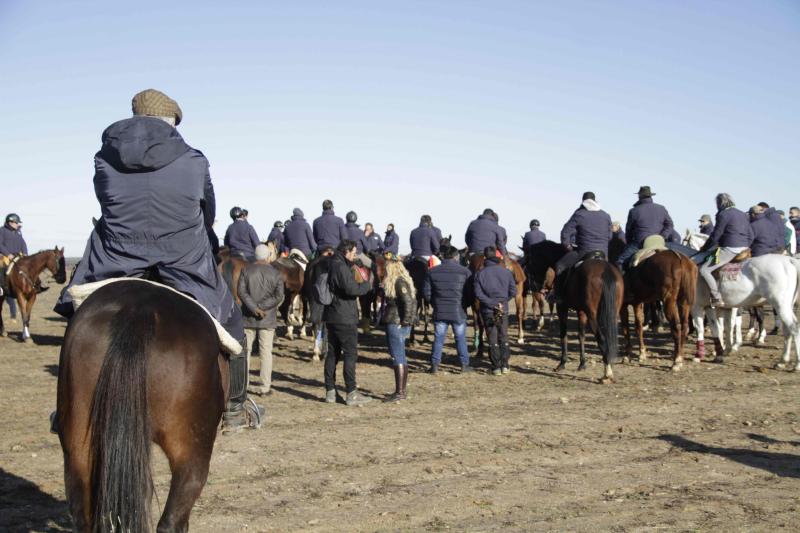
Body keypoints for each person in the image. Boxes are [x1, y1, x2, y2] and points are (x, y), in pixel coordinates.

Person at [53, 89, 258, 431]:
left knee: (80, 323)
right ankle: (235, 408)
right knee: (233, 322)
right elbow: (208, 212)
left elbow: (105, 201)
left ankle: (67, 411)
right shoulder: (194, 160)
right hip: (182, 260)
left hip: (114, 258)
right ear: (172, 122)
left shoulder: (103, 158)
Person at [324, 239, 373, 406]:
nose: (354, 255)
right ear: (347, 251)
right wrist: (367, 286)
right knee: (350, 354)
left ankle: (330, 391)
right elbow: (351, 289)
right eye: (353, 252)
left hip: (331, 315)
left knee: (332, 354)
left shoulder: (330, 262)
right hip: (344, 316)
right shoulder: (341, 266)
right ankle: (351, 392)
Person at [238, 244, 284, 395]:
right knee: (266, 352)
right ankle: (265, 386)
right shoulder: (276, 273)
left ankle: (243, 384)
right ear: (268, 256)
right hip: (268, 318)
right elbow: (279, 296)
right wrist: (262, 308)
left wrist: (254, 308)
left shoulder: (245, 270)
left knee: (246, 351)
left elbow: (241, 292)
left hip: (248, 317)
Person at [423, 245, 473, 374]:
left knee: (438, 338)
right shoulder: (465, 272)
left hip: (440, 310)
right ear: (456, 257)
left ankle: (434, 365)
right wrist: (465, 305)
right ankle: (464, 365)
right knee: (460, 338)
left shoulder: (432, 271)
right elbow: (470, 293)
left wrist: (434, 303)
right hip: (458, 311)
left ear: (443, 256)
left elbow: (426, 292)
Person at [699, 193, 754, 307]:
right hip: (744, 248)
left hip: (730, 248)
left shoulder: (723, 214)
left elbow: (716, 235)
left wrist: (705, 248)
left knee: (704, 270)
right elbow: (751, 235)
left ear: (720, 203)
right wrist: (745, 246)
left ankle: (716, 297)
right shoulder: (742, 214)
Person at [474, 245, 517, 375]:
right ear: (498, 256)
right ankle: (505, 365)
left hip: (487, 309)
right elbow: (513, 291)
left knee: (492, 336)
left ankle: (496, 366)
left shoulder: (479, 274)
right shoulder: (507, 272)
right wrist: (501, 302)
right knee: (503, 335)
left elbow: (478, 293)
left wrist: (491, 303)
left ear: (485, 257)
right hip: (503, 308)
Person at [380, 255, 417, 401]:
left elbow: (408, 302)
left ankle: (400, 392)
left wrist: (406, 322)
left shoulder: (399, 282)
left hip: (395, 323)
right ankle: (401, 390)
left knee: (398, 356)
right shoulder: (401, 281)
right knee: (399, 355)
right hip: (395, 321)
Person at [555, 192, 612, 279]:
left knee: (559, 266)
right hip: (604, 254)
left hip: (583, 252)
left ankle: (559, 292)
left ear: (583, 201)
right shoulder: (606, 215)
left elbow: (565, 232)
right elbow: (610, 236)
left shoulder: (579, 214)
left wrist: (567, 246)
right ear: (595, 200)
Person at [615, 186, 674, 269]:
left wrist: (628, 243)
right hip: (659, 242)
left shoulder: (634, 211)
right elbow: (670, 224)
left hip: (640, 243)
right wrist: (662, 236)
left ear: (640, 196)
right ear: (650, 196)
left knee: (620, 261)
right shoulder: (661, 208)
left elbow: (629, 230)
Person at [0, 213, 27, 314]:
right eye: (16, 223)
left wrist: (25, 254)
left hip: (18, 256)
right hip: (4, 256)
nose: (17, 224)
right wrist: (8, 254)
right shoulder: (2, 230)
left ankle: (35, 286)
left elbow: (23, 243)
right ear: (10, 222)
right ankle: (1, 287)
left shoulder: (18, 232)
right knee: (2, 267)